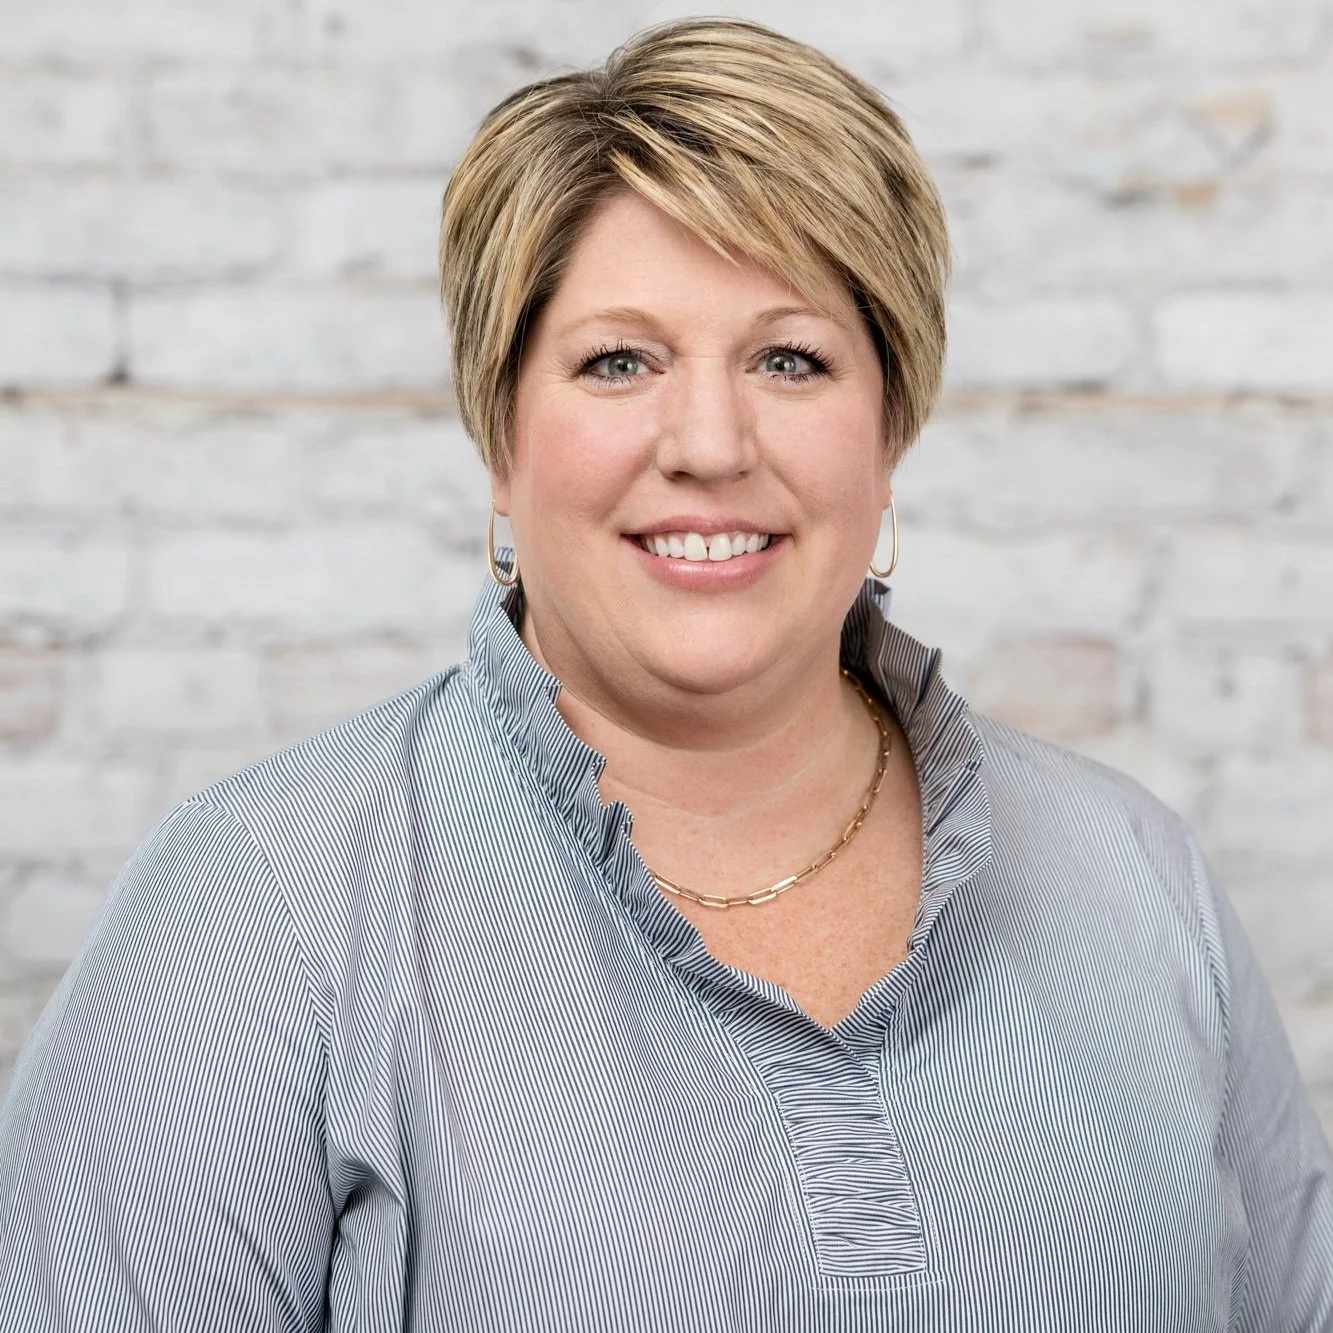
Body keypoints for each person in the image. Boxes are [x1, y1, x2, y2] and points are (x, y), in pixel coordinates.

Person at [1, 17, 1330, 1330]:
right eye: (619, 360)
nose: (707, 440)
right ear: (500, 436)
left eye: (791, 359)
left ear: (891, 430)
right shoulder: (261, 910)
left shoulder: (1138, 880)